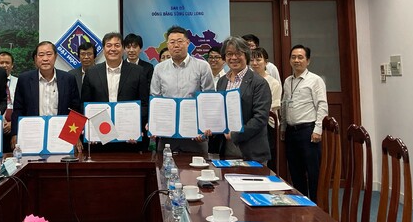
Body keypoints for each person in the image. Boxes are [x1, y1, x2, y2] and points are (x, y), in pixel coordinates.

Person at [150, 25, 214, 154]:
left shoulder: (202, 66)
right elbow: (155, 98)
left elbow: (209, 99)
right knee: (164, 165)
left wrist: (204, 128)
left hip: (195, 134)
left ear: (188, 43)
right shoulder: (159, 68)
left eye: (180, 41)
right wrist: (154, 125)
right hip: (167, 135)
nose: (176, 45)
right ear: (168, 45)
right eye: (172, 42)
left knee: (197, 166)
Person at [81, 32, 149, 152]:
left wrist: (135, 127)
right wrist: (92, 130)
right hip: (99, 137)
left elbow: (144, 104)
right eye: (109, 45)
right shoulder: (92, 72)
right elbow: (85, 104)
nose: (113, 49)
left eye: (117, 45)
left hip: (129, 139)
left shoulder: (138, 71)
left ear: (123, 49)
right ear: (103, 49)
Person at [208, 37, 271, 163]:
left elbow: (260, 118)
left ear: (246, 55)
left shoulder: (259, 83)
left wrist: (236, 134)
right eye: (229, 54)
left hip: (251, 150)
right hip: (225, 148)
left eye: (238, 53)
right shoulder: (222, 81)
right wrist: (211, 127)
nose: (233, 58)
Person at [280, 44, 328, 202]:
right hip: (291, 132)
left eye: (300, 57)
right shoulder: (288, 81)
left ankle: (316, 206)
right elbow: (285, 104)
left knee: (313, 172)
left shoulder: (315, 80)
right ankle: (301, 204)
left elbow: (322, 105)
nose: (296, 60)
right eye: (293, 57)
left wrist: (318, 130)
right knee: (295, 171)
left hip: (308, 131)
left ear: (308, 61)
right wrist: (283, 127)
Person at [11, 41, 81, 140]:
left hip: (61, 133)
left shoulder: (68, 79)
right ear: (36, 58)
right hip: (32, 133)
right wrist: (15, 133)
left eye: (49, 54)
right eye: (41, 55)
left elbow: (75, 109)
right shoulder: (24, 79)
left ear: (55, 57)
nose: (45, 59)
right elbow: (18, 109)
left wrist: (74, 136)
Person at [250, 47, 282, 171]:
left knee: (264, 164)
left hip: (267, 125)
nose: (255, 63)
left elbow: (271, 107)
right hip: (249, 125)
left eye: (258, 60)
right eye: (252, 60)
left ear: (266, 62)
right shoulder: (246, 80)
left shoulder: (273, 83)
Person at [0, 51, 18, 153]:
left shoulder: (19, 82)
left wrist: (13, 123)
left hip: (16, 127)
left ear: (12, 65)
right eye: (1, 63)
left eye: (7, 63)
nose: (4, 65)